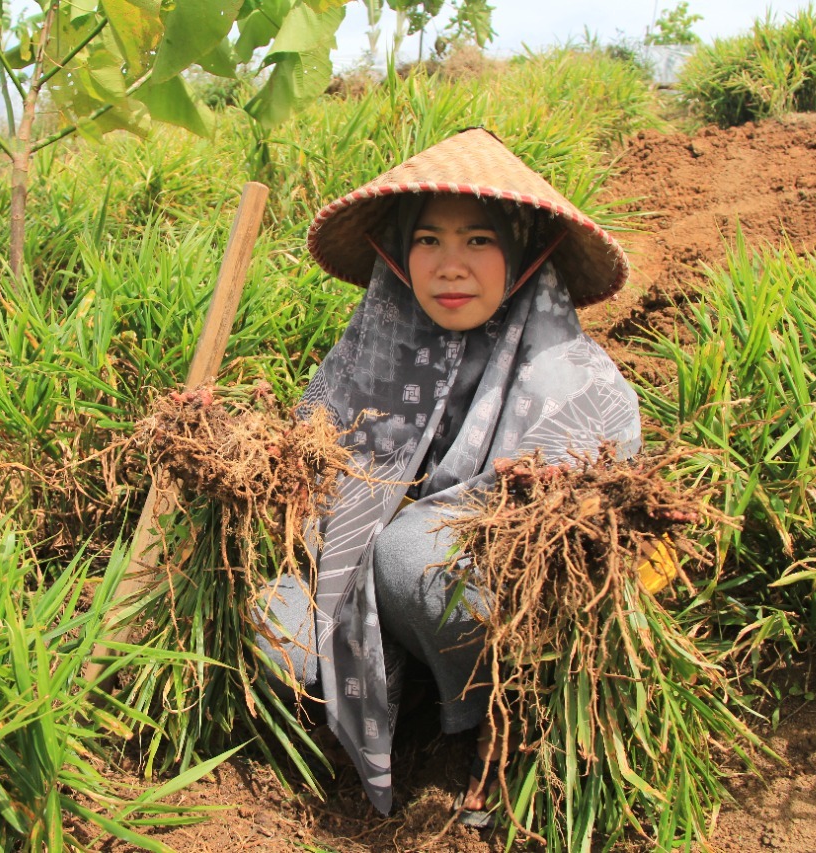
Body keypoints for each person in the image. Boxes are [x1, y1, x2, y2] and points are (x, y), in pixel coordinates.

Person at [256, 127, 642, 828]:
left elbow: (583, 535)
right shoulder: (369, 348)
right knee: (271, 622)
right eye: (428, 240)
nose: (449, 265)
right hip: (371, 585)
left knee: (413, 556)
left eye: (479, 241)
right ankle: (342, 734)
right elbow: (309, 469)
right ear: (400, 253)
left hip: (484, 608)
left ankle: (492, 724)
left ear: (524, 251)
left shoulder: (576, 384)